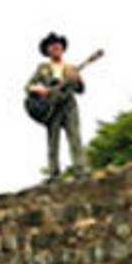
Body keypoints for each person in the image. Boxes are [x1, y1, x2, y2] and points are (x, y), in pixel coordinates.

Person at [25, 31, 87, 179]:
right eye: (52, 45)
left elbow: (81, 90)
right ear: (47, 50)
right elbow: (28, 86)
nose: (55, 47)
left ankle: (80, 170)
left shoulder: (71, 68)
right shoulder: (43, 68)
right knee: (53, 141)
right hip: (52, 106)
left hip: (69, 104)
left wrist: (79, 80)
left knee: (75, 137)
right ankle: (54, 173)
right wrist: (39, 89)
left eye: (58, 44)